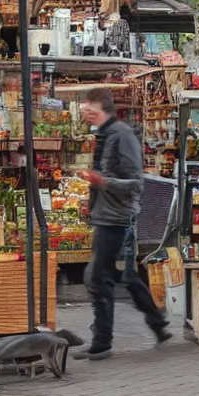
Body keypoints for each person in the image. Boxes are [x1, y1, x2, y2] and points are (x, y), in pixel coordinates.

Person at [74, 87, 171, 360]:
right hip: (106, 215)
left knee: (99, 277)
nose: (84, 109)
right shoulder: (104, 135)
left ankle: (102, 342)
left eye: (88, 104)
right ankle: (158, 322)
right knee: (123, 276)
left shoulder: (122, 135)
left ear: (101, 107)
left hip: (118, 217)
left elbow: (135, 182)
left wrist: (102, 183)